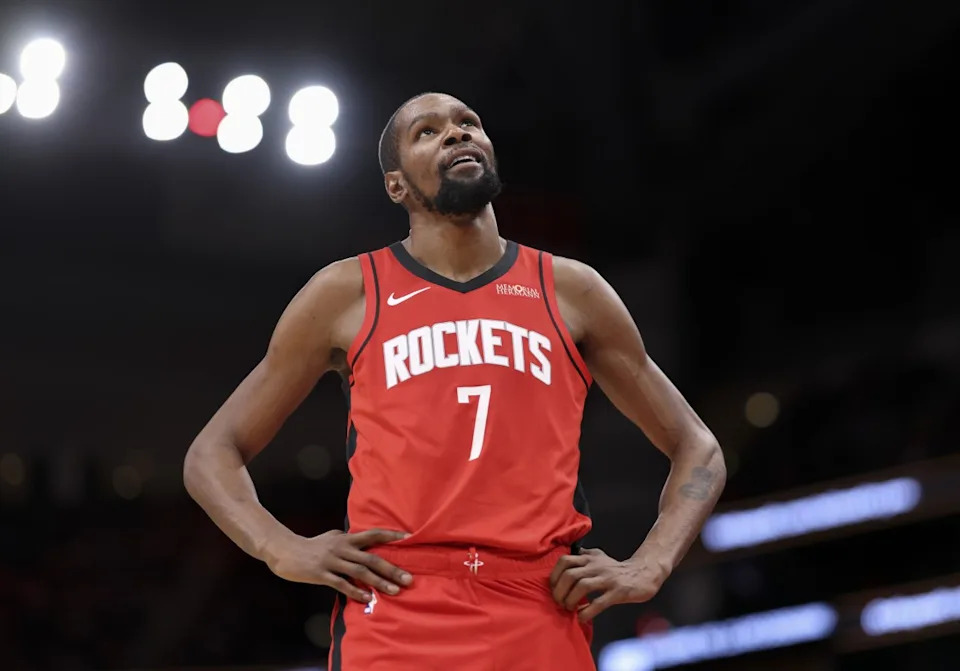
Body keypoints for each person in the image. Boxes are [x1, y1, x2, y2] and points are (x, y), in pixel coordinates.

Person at [183, 92, 726, 671]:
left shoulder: (571, 289)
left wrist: (651, 563)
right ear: (396, 186)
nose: (457, 133)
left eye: (469, 123)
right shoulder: (348, 292)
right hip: (397, 607)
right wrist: (280, 548)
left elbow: (699, 448)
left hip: (538, 606)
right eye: (427, 131)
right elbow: (211, 454)